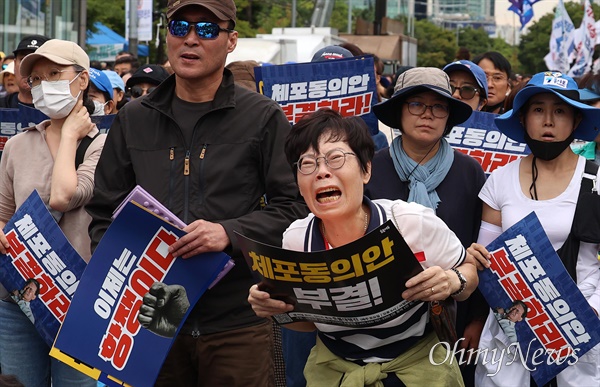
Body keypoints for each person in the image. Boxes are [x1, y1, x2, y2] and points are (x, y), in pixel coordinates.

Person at [85, 0, 308, 386]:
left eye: (206, 30)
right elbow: (104, 211)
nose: (190, 39)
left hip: (237, 318)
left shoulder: (262, 116)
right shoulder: (133, 118)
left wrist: (230, 233)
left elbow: (296, 207)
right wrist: (131, 269)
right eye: (179, 27)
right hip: (153, 319)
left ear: (231, 40)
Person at [248, 108, 479, 387]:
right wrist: (275, 308)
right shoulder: (296, 241)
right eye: (307, 164)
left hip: (418, 370)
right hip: (335, 372)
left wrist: (453, 280)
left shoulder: (410, 223)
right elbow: (307, 323)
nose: (321, 172)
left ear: (366, 169)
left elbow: (469, 272)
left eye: (335, 159)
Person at [469, 71, 600, 387]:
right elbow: (487, 262)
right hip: (512, 332)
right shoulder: (499, 180)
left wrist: (593, 312)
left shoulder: (595, 182)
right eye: (538, 109)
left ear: (576, 121)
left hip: (582, 327)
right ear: (524, 118)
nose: (549, 121)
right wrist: (474, 260)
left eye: (560, 111)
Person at [367, 67, 489, 387]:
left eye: (439, 107)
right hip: (378, 322)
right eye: (416, 104)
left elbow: (479, 252)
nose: (428, 115)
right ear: (398, 111)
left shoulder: (470, 172)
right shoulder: (369, 169)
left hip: (449, 317)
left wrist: (476, 320)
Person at [0, 38, 104, 387]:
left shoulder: (105, 144)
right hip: (17, 300)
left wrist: (72, 135)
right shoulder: (17, 145)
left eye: (55, 73)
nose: (45, 85)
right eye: (37, 79)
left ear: (83, 79)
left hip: (80, 304)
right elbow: (3, 211)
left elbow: (65, 196)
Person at [0, 34, 49, 108]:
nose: (28, 67)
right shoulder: (2, 106)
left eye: (37, 61)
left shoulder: (62, 112)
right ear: (14, 64)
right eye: (23, 59)